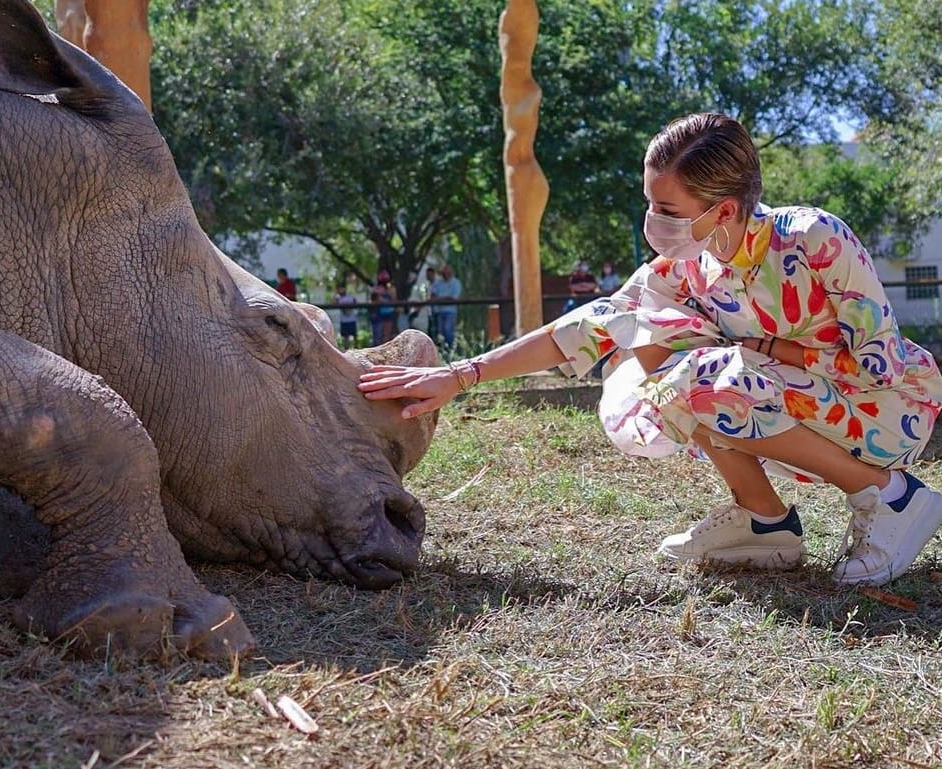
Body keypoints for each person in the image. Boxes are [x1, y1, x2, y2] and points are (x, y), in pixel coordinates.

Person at [358, 111, 942, 587]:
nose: (652, 223)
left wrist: (765, 351)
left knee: (709, 376)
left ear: (726, 211)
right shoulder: (686, 269)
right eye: (650, 203)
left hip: (883, 410)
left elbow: (879, 364)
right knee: (681, 379)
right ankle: (768, 525)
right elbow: (592, 324)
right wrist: (462, 375)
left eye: (668, 211)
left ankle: (890, 498)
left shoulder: (815, 240)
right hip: (793, 401)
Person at [430, 263, 463, 353]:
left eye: (446, 273)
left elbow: (453, 298)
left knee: (448, 330)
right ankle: (442, 350)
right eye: (443, 273)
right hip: (439, 311)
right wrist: (444, 298)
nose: (444, 275)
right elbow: (432, 296)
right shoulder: (438, 283)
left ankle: (450, 349)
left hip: (450, 311)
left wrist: (439, 299)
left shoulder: (456, 283)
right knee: (440, 332)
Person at [371, 269, 397, 346]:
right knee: (378, 334)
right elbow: (374, 300)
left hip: (388, 312)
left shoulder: (391, 288)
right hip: (378, 313)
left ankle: (386, 349)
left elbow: (394, 300)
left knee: (387, 334)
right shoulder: (376, 288)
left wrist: (384, 298)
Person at [333, 281, 359, 349]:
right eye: (340, 289)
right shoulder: (338, 298)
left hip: (352, 319)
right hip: (344, 320)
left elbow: (356, 302)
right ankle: (346, 349)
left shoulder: (350, 297)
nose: (341, 290)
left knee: (354, 335)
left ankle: (356, 348)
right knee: (345, 336)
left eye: (342, 288)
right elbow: (334, 303)